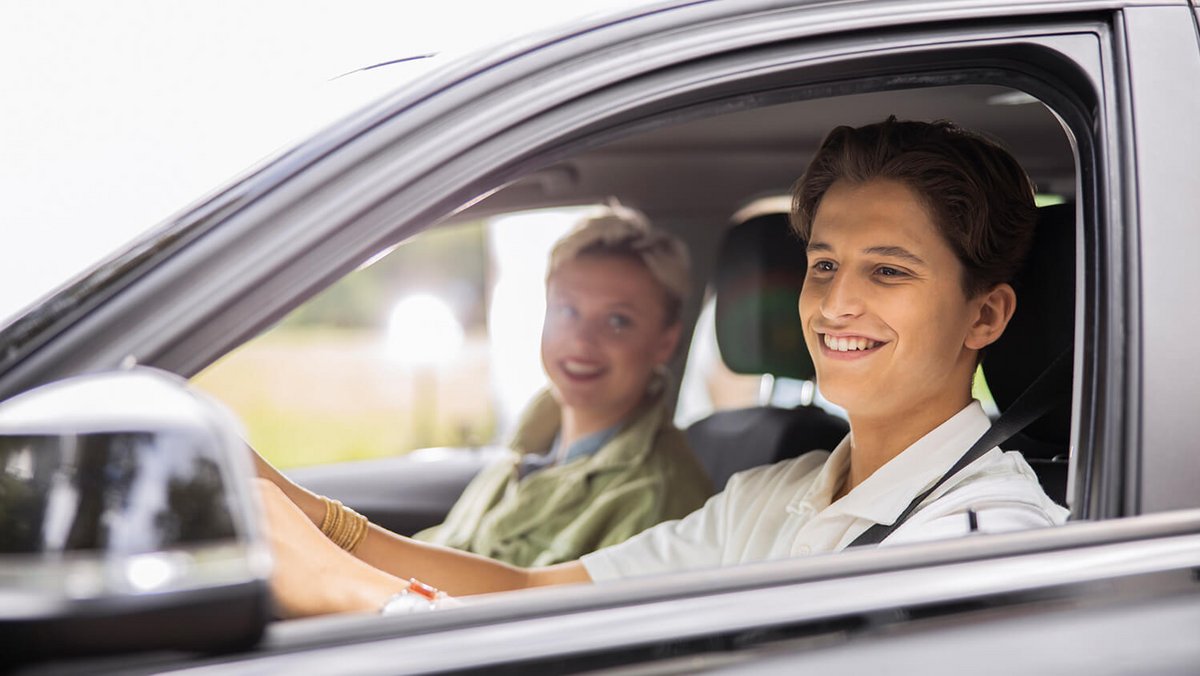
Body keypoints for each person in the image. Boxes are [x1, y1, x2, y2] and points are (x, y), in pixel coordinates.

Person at [256, 117, 1070, 617]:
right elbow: (538, 598)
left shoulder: (980, 537)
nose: (835, 306)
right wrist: (315, 519)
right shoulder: (770, 495)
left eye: (886, 272)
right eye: (823, 266)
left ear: (985, 315)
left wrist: (348, 593)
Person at [255, 207, 713, 570]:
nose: (581, 339)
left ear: (665, 342)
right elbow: (442, 555)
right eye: (567, 310)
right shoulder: (527, 449)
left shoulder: (657, 496)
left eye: (618, 320)